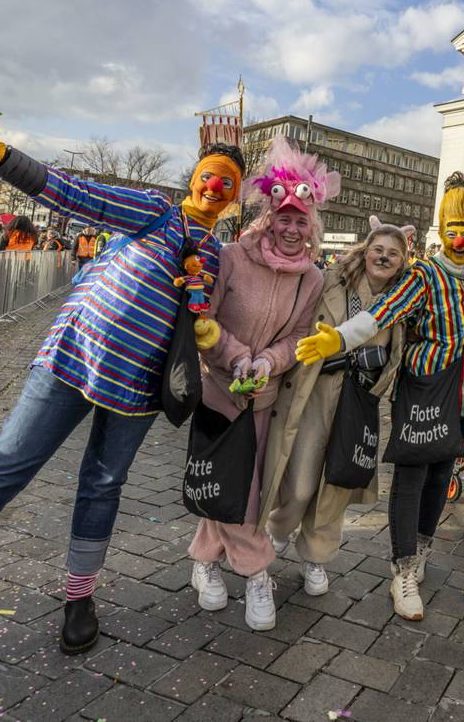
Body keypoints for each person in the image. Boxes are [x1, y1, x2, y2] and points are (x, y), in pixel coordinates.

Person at [0, 112, 244, 655]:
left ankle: (79, 597)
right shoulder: (155, 212)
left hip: (140, 385)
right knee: (8, 462)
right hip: (75, 356)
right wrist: (2, 157)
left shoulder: (216, 257)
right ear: (194, 175)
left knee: (103, 485)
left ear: (235, 197)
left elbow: (204, 326)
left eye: (227, 183)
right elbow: (80, 197)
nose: (215, 187)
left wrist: (202, 310)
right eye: (210, 174)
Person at [297, 172, 464, 622]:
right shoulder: (424, 274)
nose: (459, 239)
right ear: (439, 231)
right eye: (451, 230)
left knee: (442, 472)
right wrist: (339, 339)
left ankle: (421, 550)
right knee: (412, 477)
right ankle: (401, 568)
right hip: (425, 390)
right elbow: (381, 312)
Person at [188, 138, 330, 630]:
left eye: (300, 221)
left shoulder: (312, 278)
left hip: (266, 399)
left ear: (311, 227)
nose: (291, 228)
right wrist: (235, 356)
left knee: (242, 490)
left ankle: (204, 561)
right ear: (269, 215)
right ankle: (255, 572)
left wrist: (268, 361)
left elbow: (299, 336)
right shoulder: (230, 257)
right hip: (219, 392)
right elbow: (201, 318)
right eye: (284, 217)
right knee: (234, 488)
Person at [260, 217, 411, 596]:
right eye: (378, 248)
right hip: (315, 390)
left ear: (402, 261)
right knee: (301, 479)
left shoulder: (404, 299)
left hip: (359, 397)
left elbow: (398, 352)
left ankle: (316, 558)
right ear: (366, 249)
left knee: (336, 484)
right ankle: (279, 527)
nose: (383, 257)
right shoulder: (331, 281)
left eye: (393, 253)